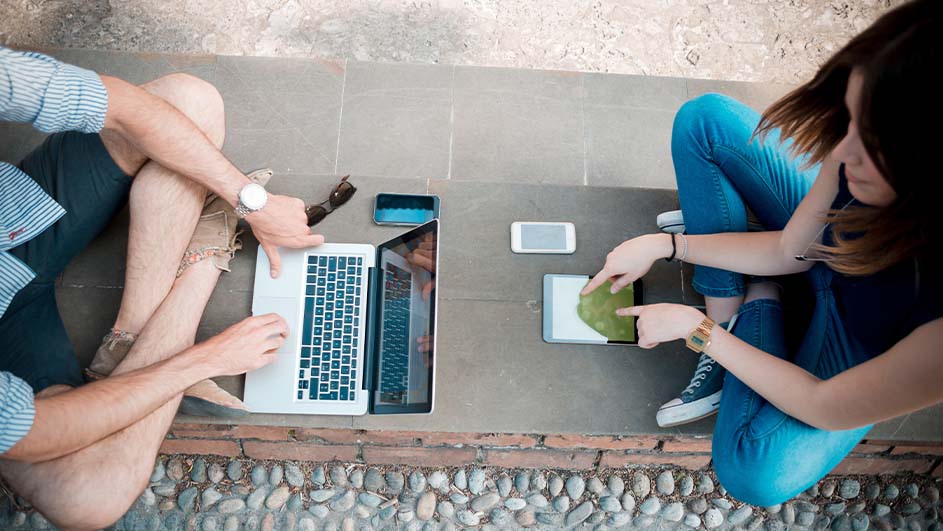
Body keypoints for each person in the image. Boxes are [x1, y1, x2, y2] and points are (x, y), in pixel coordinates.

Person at [583, 0, 941, 506]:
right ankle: (736, 311)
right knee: (706, 119)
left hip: (857, 348)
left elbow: (821, 405)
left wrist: (695, 331)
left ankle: (755, 309)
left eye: (873, 142)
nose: (840, 153)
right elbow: (790, 250)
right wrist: (665, 246)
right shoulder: (856, 158)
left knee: (756, 471)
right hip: (820, 256)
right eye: (853, 121)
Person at [0, 46, 324, 529]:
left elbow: (128, 106)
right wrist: (205, 359)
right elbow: (36, 433)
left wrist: (252, 202)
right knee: (87, 502)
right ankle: (201, 262)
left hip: (17, 221)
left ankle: (125, 345)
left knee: (189, 100)